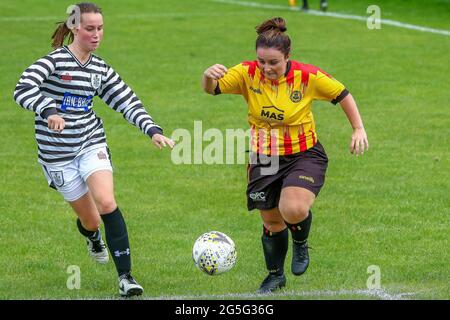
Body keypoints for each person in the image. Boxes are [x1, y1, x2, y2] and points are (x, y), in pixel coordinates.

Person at [13, 2, 174, 297]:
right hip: (57, 156)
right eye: (90, 29)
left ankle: (126, 277)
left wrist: (152, 130)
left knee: (107, 202)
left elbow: (126, 100)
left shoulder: (100, 69)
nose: (96, 35)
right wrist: (48, 110)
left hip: (90, 143)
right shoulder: (53, 62)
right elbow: (22, 89)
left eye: (100, 28)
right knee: (91, 220)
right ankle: (92, 236)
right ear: (75, 28)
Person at [202, 17, 368, 293]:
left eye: (273, 63)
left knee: (292, 208)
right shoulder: (246, 73)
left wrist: (358, 128)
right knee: (271, 220)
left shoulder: (307, 77)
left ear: (288, 57)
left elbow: (342, 94)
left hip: (304, 155)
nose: (266, 68)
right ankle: (275, 276)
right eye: (261, 62)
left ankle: (301, 244)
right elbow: (213, 89)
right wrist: (208, 76)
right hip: (264, 157)